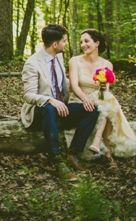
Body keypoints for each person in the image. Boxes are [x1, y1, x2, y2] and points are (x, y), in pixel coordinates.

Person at [21, 24, 99, 181]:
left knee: (92, 110)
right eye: (64, 41)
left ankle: (73, 154)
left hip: (61, 108)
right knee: (49, 108)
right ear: (55, 44)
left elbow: (60, 81)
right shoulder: (32, 63)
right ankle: (57, 160)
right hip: (40, 111)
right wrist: (50, 100)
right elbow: (28, 95)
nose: (66, 44)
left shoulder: (59, 57)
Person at [68, 29, 136, 168]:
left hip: (100, 100)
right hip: (79, 100)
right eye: (81, 42)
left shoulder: (107, 65)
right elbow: (73, 85)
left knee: (106, 100)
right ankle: (106, 151)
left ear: (97, 43)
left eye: (86, 41)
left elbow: (105, 91)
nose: (83, 45)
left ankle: (100, 143)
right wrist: (85, 99)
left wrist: (102, 86)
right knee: (106, 103)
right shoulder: (75, 61)